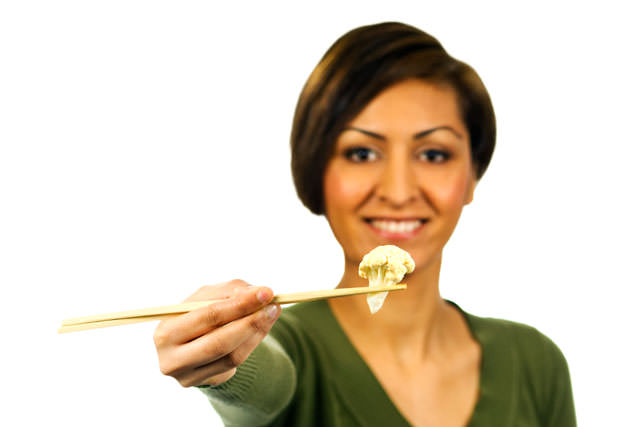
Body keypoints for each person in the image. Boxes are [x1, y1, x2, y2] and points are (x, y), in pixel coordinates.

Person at [152, 22, 576, 426]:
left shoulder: (534, 362)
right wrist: (223, 364)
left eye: (433, 154)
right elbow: (265, 385)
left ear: (472, 177)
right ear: (316, 172)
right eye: (361, 154)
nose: (397, 190)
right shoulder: (291, 347)